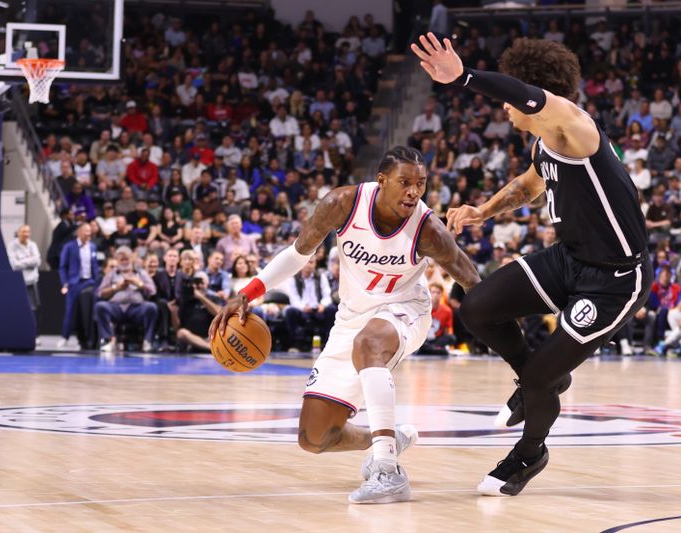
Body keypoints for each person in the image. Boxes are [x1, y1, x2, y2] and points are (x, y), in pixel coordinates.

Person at [412, 33, 653, 496]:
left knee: (543, 377)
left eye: (511, 98)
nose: (504, 108)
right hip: (570, 260)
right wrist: (483, 210)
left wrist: (463, 77)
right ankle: (534, 378)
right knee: (478, 307)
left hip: (616, 280)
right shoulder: (545, 141)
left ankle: (529, 453)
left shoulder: (574, 123)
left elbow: (526, 96)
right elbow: (529, 185)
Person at [209, 146, 480, 504]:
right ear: (381, 181)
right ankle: (386, 439)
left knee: (369, 345)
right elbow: (297, 253)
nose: (414, 192)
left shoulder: (428, 229)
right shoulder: (342, 204)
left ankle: (387, 471)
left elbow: (473, 281)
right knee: (314, 437)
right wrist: (247, 293)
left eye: (421, 184)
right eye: (405, 182)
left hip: (405, 310)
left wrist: (515, 348)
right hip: (351, 317)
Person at [94, 246, 158, 352]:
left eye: (126, 258)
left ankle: (148, 341)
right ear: (117, 260)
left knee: (151, 307)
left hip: (136, 308)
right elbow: (100, 293)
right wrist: (116, 288)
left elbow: (153, 291)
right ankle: (108, 340)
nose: (124, 261)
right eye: (121, 259)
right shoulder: (111, 274)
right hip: (116, 308)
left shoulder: (141, 273)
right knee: (100, 306)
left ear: (132, 258)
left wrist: (139, 284)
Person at [58, 223, 100, 349]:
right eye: (86, 231)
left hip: (90, 282)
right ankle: (65, 337)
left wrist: (96, 280)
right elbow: (63, 267)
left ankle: (87, 338)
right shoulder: (69, 247)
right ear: (79, 232)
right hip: (74, 283)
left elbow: (95, 266)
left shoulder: (93, 247)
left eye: (89, 231)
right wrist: (65, 283)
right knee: (70, 311)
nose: (89, 233)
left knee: (88, 311)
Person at [7, 224, 41, 319]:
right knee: (18, 307)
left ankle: (33, 330)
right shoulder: (12, 245)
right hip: (19, 281)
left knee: (33, 307)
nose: (26, 234)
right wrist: (29, 260)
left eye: (27, 232)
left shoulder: (33, 244)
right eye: (23, 232)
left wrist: (21, 260)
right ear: (18, 233)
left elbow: (37, 261)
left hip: (32, 281)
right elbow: (14, 265)